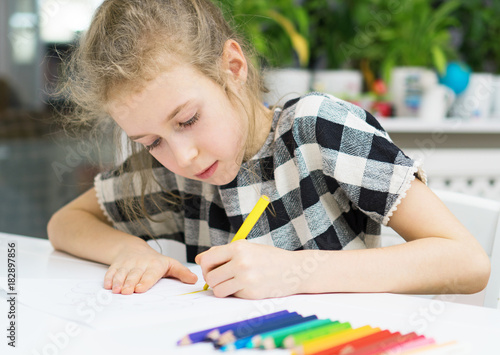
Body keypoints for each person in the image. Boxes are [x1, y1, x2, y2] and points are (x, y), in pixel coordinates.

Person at [48, 0, 490, 300]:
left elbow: (467, 261)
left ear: (233, 68)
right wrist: (130, 251)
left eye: (187, 120)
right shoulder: (168, 171)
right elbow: (65, 222)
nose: (182, 156)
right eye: (153, 141)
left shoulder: (318, 129)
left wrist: (294, 274)